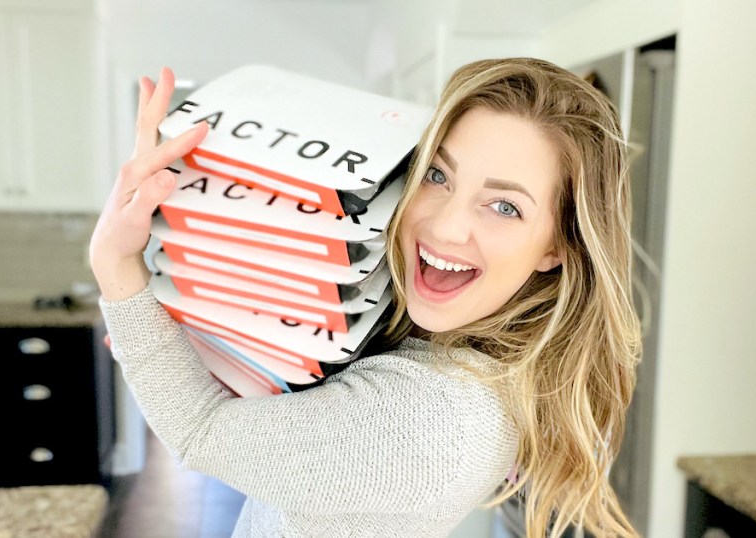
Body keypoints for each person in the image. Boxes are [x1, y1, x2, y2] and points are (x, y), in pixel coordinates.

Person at [90, 57, 641, 538]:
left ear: (558, 247)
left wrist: (116, 264)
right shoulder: (460, 351)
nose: (446, 228)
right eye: (437, 175)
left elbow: (199, 429)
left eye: (504, 207)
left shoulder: (433, 419)